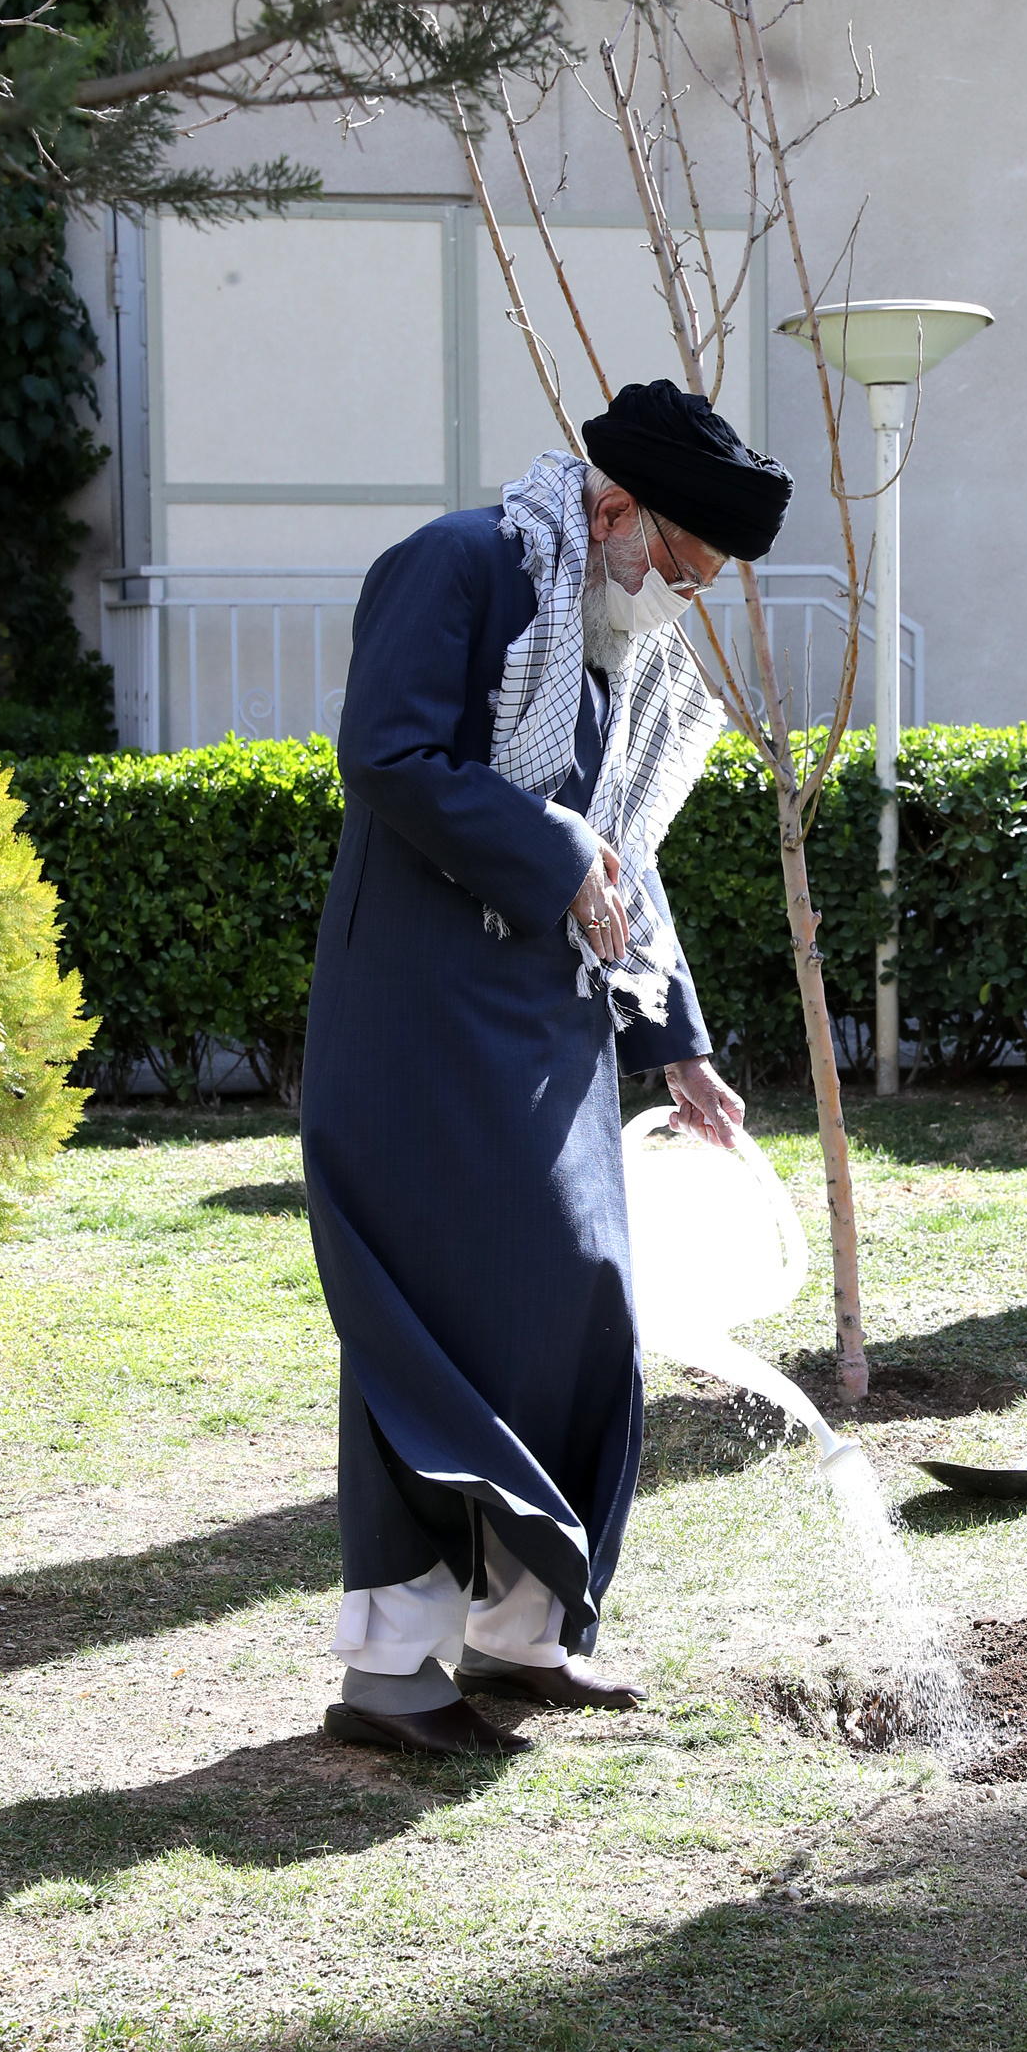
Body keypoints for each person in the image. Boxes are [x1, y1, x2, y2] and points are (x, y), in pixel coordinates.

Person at [301, 380, 793, 1757]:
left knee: (579, 1313)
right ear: (619, 509)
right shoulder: (458, 563)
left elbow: (620, 845)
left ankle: (524, 1635)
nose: (685, 598)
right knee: (433, 1333)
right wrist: (558, 847)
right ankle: (389, 1672)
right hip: (417, 1026)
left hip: (549, 1033)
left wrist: (678, 1042)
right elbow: (387, 756)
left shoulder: (608, 632)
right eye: (686, 566)